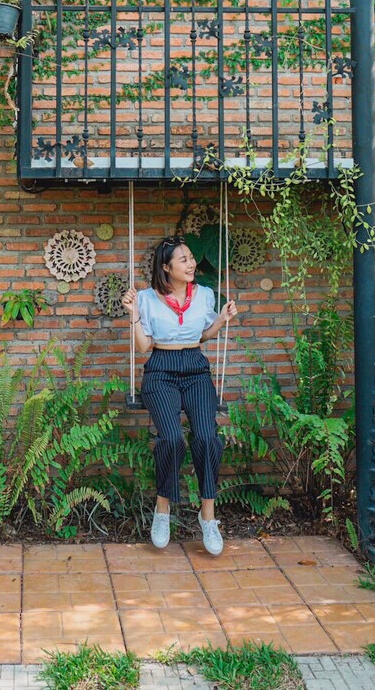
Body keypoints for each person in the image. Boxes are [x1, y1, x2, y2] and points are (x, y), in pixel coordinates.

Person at [122, 236, 238, 554]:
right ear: (166, 267)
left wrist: (222, 320)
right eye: (183, 260)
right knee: (172, 439)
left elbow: (202, 335)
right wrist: (132, 313)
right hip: (161, 370)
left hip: (195, 369)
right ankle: (163, 510)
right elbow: (144, 346)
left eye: (190, 258)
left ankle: (208, 517)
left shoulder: (204, 295)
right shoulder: (145, 298)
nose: (191, 264)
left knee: (206, 438)